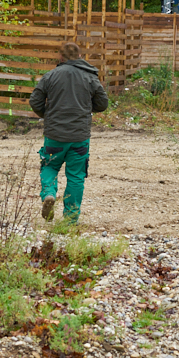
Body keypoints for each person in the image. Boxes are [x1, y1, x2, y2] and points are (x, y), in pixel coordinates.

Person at [29, 42, 109, 223]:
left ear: (61, 57)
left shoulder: (50, 76)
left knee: (49, 166)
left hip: (54, 136)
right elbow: (103, 104)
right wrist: (86, 109)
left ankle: (49, 193)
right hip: (79, 137)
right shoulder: (90, 77)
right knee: (76, 176)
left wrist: (47, 115)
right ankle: (71, 219)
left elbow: (35, 101)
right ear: (80, 57)